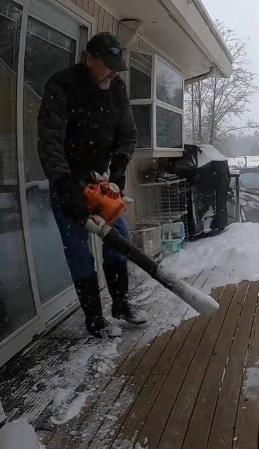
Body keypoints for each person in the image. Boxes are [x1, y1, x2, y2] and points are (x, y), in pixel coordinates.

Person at [38, 32, 146, 337]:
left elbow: (128, 133)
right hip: (68, 182)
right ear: (88, 59)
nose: (113, 72)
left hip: (98, 184)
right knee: (78, 249)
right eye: (107, 65)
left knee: (119, 239)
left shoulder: (116, 89)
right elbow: (50, 142)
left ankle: (121, 304)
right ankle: (95, 318)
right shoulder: (61, 87)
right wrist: (63, 183)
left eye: (116, 66)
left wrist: (120, 167)